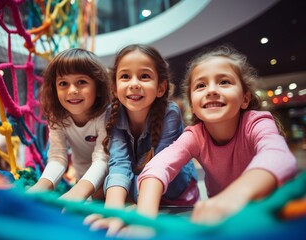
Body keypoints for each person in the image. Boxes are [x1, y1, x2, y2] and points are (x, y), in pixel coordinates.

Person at [137, 45, 298, 225]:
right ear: (193, 105)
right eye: (201, 85)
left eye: (224, 82)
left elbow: (278, 155)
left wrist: (236, 195)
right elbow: (158, 166)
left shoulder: (256, 122)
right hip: (223, 220)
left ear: (245, 98)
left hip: (269, 212)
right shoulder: (195, 135)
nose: (211, 90)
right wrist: (144, 219)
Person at [84, 44, 199, 235]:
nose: (134, 84)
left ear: (161, 87)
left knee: (114, 186)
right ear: (114, 87)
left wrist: (135, 211)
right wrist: (113, 211)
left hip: (171, 189)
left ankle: (131, 205)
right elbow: (119, 162)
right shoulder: (112, 113)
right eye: (125, 76)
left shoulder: (169, 113)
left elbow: (160, 168)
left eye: (144, 76)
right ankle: (127, 205)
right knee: (107, 181)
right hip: (139, 183)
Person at [27, 48, 110, 201]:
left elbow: (102, 158)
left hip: (110, 182)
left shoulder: (105, 115)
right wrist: (41, 187)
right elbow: (58, 156)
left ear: (98, 88)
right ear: (54, 89)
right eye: (63, 83)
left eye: (81, 82)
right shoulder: (58, 116)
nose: (72, 90)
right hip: (83, 180)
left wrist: (78, 192)